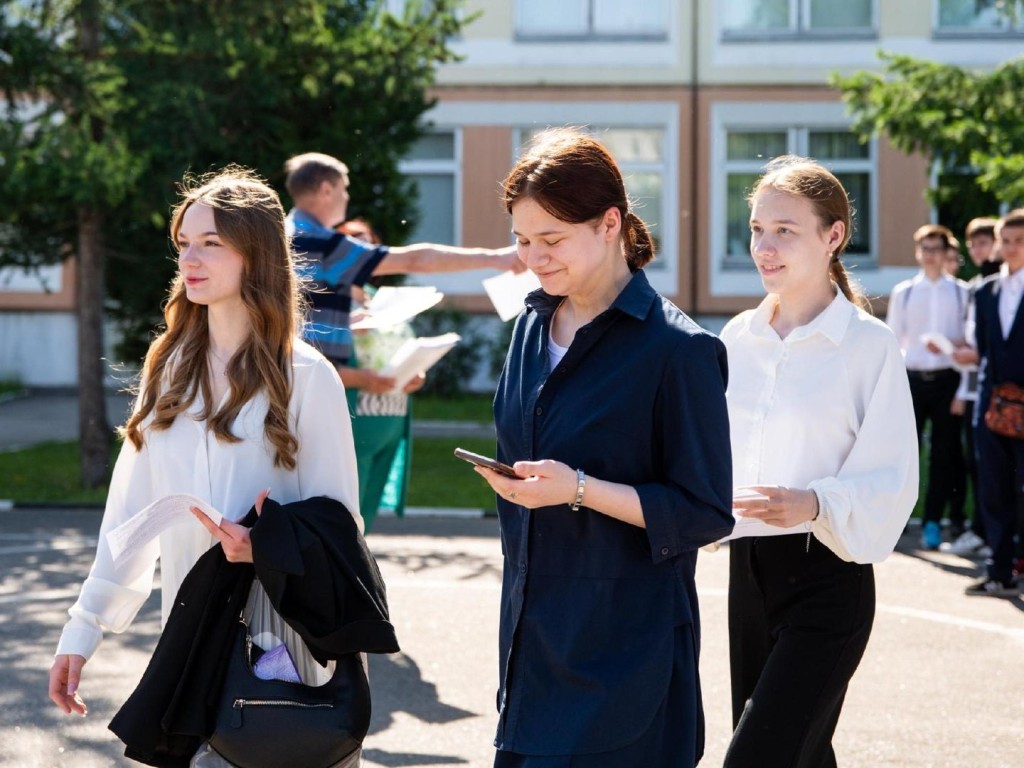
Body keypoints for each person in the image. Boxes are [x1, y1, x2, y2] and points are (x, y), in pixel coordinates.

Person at [47, 168, 365, 764]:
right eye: (184, 244)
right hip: (193, 647)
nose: (190, 259)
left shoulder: (308, 377)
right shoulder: (168, 371)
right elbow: (131, 515)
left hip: (285, 658)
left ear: (258, 255)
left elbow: (341, 528)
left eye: (211, 244)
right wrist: (81, 631)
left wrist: (265, 544)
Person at [473, 127, 734, 767]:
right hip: (532, 654)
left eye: (552, 240)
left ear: (610, 223)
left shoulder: (681, 352)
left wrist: (580, 490)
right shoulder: (531, 327)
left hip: (626, 667)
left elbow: (704, 511)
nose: (533, 257)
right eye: (522, 240)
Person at [722, 156, 918, 768]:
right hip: (746, 574)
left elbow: (894, 476)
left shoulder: (869, 344)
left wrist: (812, 502)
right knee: (803, 758)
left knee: (755, 760)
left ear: (833, 236)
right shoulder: (736, 338)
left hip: (829, 577)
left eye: (785, 229)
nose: (764, 246)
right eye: (757, 229)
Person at [283, 152, 520, 400]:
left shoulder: (281, 236)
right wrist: (497, 259)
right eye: (344, 189)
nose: (347, 197)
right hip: (307, 385)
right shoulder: (322, 243)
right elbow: (414, 260)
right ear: (326, 190)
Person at [886, 224, 969, 549]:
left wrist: (948, 347)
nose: (930, 255)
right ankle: (899, 516)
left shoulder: (961, 292)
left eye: (936, 249)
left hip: (948, 379)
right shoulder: (905, 291)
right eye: (925, 249)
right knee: (908, 452)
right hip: (914, 379)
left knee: (944, 454)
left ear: (947, 252)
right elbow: (894, 339)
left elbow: (970, 338)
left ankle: (933, 520)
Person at [957, 209, 1024, 597]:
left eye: (1019, 241)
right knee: (993, 488)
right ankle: (999, 569)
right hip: (994, 405)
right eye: (1007, 240)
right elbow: (984, 352)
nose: (1012, 248)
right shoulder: (983, 291)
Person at [339, 217, 419, 531]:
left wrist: (416, 373)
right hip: (353, 425)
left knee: (365, 520)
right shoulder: (323, 301)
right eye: (354, 242)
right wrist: (363, 379)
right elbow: (308, 366)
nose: (366, 249)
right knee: (344, 520)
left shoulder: (385, 299)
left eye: (370, 243)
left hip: (390, 419)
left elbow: (405, 347)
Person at [944, 217, 1001, 557]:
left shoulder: (1001, 283)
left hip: (999, 390)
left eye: (985, 242)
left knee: (995, 470)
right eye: (974, 244)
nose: (980, 250)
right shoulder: (978, 285)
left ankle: (992, 537)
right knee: (977, 465)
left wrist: (975, 353)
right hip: (976, 388)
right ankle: (984, 533)